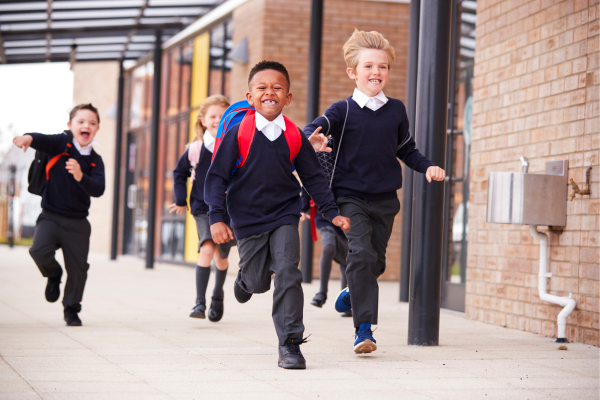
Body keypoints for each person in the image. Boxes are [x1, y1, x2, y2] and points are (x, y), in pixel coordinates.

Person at [305, 30, 446, 354]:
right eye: (368, 66)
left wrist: (427, 167)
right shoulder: (342, 110)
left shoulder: (396, 110)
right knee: (363, 256)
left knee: (376, 263)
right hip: (349, 197)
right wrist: (312, 138)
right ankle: (364, 330)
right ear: (353, 72)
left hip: (384, 200)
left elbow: (406, 149)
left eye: (382, 67)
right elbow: (312, 128)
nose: (376, 72)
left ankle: (351, 295)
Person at [205, 60, 351, 369]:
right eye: (262, 87)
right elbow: (217, 177)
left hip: (286, 213)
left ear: (288, 97)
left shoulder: (294, 135)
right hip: (246, 218)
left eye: (277, 87)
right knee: (258, 281)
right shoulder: (238, 132)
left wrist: (331, 212)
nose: (269, 92)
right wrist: (217, 217)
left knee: (288, 271)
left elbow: (312, 178)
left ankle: (290, 345)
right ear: (250, 96)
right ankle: (245, 281)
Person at [12, 104, 105, 326]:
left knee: (79, 269)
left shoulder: (95, 160)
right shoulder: (60, 144)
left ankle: (71, 309)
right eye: (81, 122)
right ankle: (54, 275)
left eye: (92, 123)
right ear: (70, 125)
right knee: (38, 250)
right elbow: (41, 139)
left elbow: (99, 189)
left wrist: (81, 176)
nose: (86, 126)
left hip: (78, 222)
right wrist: (27, 138)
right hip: (51, 216)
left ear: (97, 128)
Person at [169, 95, 234, 322]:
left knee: (222, 257)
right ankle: (199, 302)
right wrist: (180, 199)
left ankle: (218, 294)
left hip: (229, 209)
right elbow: (179, 174)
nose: (218, 120)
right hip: (202, 207)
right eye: (213, 116)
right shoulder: (196, 149)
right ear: (203, 120)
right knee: (207, 247)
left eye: (222, 116)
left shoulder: (235, 144)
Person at [300, 188, 350, 317]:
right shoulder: (319, 166)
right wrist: (303, 207)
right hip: (324, 214)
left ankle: (345, 301)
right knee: (329, 247)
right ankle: (322, 293)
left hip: (347, 214)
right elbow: (308, 184)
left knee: (347, 257)